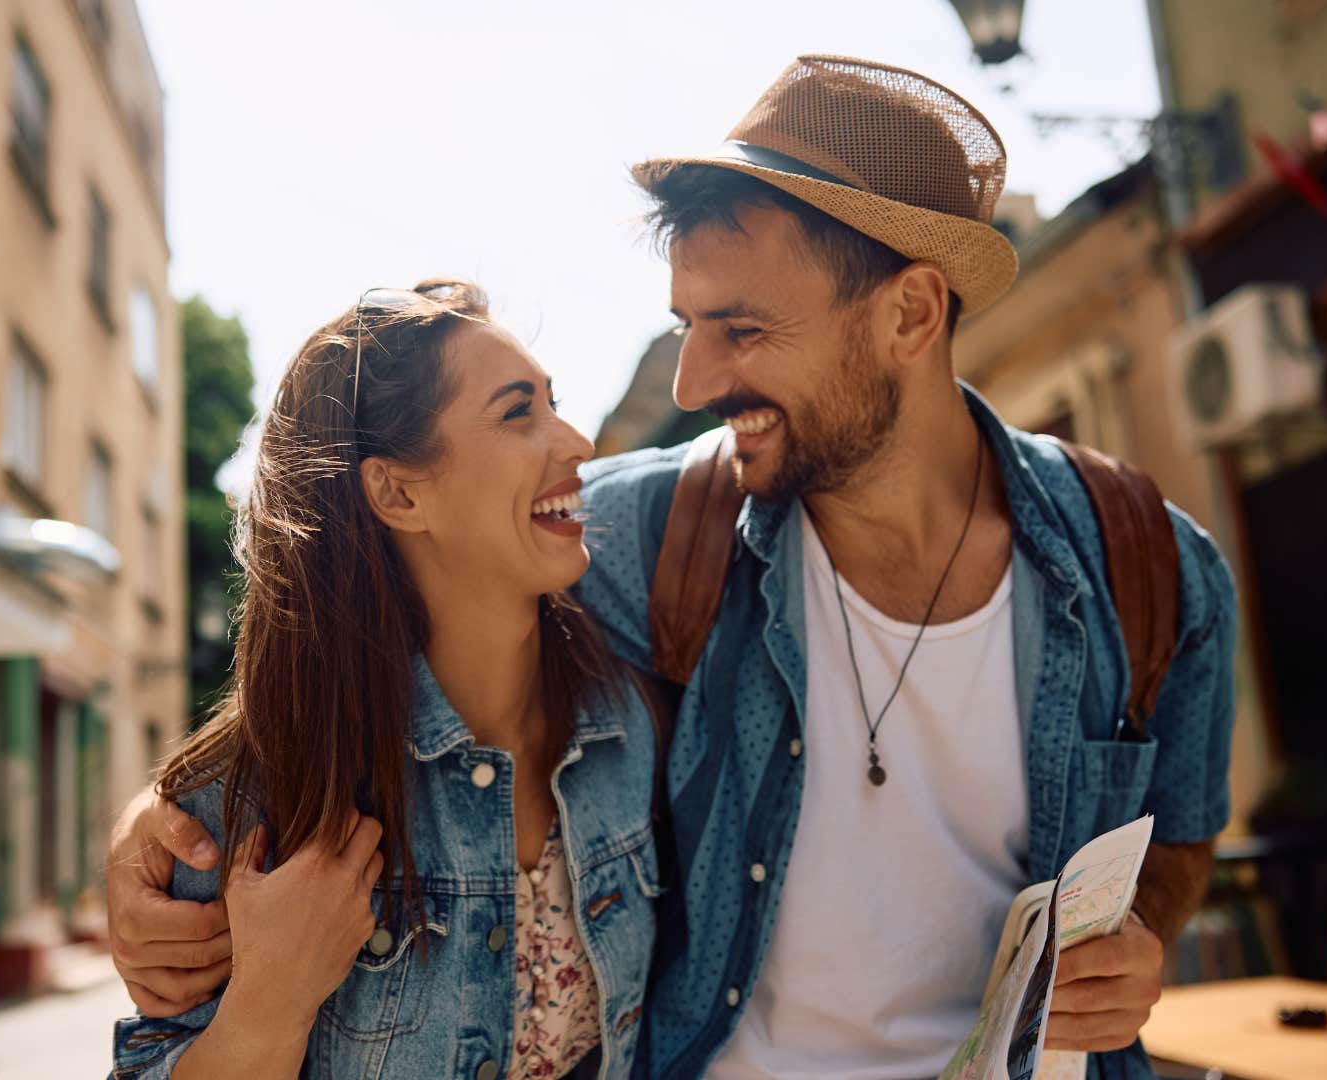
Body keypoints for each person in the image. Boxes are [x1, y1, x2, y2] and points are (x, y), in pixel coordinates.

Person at [107, 57, 1236, 1080]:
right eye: (686, 324)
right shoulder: (647, 532)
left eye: (739, 330)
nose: (692, 383)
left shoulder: (1149, 569)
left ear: (909, 313)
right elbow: (399, 583)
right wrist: (158, 827)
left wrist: (1139, 950)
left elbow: (1181, 836)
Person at [107, 281, 660, 1079]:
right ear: (397, 492)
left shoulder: (621, 728)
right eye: (518, 413)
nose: (575, 442)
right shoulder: (264, 798)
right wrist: (269, 1007)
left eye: (554, 404)